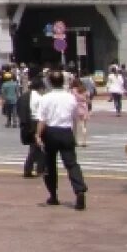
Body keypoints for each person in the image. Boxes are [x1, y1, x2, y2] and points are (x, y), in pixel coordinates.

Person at [35, 70, 88, 210]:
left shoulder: (45, 98)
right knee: (71, 164)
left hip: (51, 132)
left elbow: (42, 120)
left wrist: (37, 134)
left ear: (50, 82)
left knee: (50, 165)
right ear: (63, 82)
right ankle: (79, 190)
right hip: (66, 131)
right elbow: (76, 117)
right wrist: (75, 135)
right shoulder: (70, 97)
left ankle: (53, 195)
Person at [18, 78, 47, 178]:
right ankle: (36, 169)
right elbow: (43, 114)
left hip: (26, 124)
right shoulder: (40, 98)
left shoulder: (24, 96)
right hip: (36, 123)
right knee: (38, 147)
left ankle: (35, 168)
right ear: (40, 88)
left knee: (34, 147)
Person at [71, 81, 90, 147]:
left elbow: (71, 99)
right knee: (83, 126)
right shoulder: (85, 90)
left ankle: (75, 141)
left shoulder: (73, 91)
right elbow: (88, 100)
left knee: (74, 126)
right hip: (84, 108)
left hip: (76, 108)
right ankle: (84, 141)